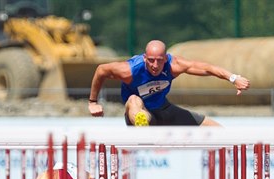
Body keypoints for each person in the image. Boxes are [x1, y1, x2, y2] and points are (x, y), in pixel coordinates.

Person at [87, 39, 250, 126]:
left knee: (217, 131)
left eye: (159, 61)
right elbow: (101, 70)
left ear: (165, 58)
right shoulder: (130, 70)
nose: (155, 66)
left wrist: (233, 78)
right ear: (145, 58)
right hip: (140, 113)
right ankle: (142, 124)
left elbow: (205, 68)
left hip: (164, 109)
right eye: (151, 61)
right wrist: (93, 101)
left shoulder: (173, 65)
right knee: (133, 100)